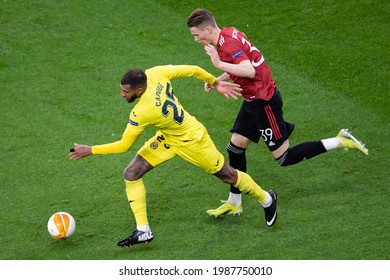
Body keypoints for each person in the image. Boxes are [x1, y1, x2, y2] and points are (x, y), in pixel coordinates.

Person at [69, 64, 278, 248]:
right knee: (132, 173)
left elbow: (124, 145)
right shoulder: (156, 73)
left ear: (139, 90)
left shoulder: (142, 111)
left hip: (192, 141)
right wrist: (215, 82)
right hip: (169, 136)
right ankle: (143, 230)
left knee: (228, 175)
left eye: (125, 91)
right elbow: (194, 70)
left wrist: (91, 150)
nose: (122, 94)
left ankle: (267, 199)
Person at [187, 8, 368, 217]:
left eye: (196, 35)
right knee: (235, 147)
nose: (196, 39)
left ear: (208, 29)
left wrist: (218, 63)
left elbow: (249, 70)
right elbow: (242, 65)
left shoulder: (226, 47)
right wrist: (219, 79)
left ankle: (340, 140)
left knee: (284, 158)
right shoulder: (229, 33)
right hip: (252, 100)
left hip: (264, 103)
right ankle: (234, 202)